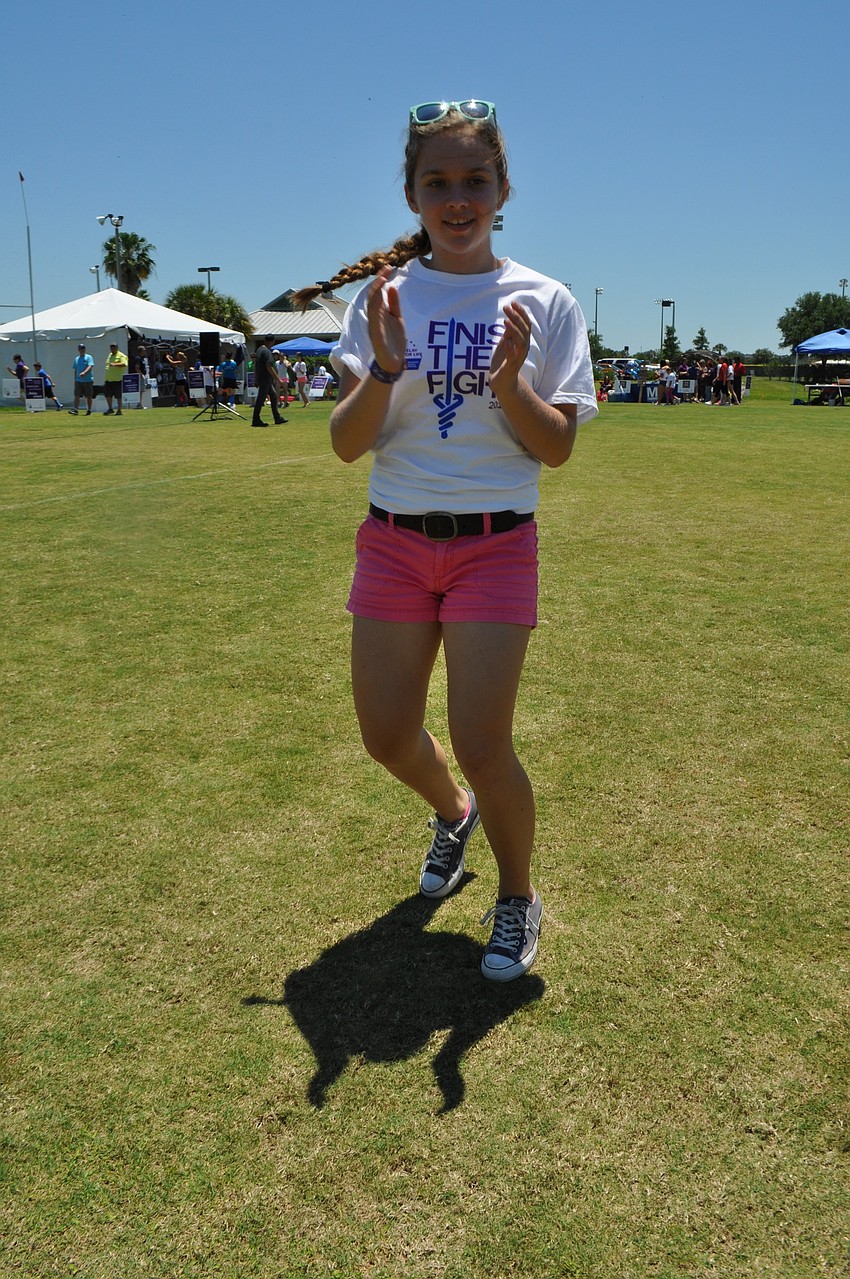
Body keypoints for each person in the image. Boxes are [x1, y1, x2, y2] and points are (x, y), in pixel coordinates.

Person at [294, 98, 597, 981]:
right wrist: (385, 365)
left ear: (503, 189)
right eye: (439, 182)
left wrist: (508, 381)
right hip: (394, 539)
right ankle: (454, 813)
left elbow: (559, 447)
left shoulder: (544, 300)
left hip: (495, 545)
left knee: (480, 735)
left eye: (475, 180)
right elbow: (348, 443)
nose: (457, 198)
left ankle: (516, 897)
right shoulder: (381, 300)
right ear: (412, 193)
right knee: (387, 736)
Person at [252, 336, 287, 426]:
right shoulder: (266, 351)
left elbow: (256, 365)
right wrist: (278, 379)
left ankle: (277, 417)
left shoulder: (259, 350)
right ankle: (255, 419)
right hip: (265, 378)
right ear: (272, 341)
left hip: (262, 378)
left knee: (274, 396)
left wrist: (256, 378)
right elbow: (269, 366)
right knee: (261, 398)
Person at [69, 343, 95, 415]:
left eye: (83, 348)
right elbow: (75, 369)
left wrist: (84, 372)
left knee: (88, 395)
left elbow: (90, 366)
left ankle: (89, 409)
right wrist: (75, 379)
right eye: (80, 348)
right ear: (78, 350)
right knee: (77, 395)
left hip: (88, 380)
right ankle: (75, 409)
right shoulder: (76, 359)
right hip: (78, 380)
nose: (82, 350)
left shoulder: (88, 357)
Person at [103, 341, 128, 415]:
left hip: (117, 380)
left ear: (117, 348)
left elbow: (124, 364)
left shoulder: (121, 355)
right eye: (111, 348)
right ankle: (110, 408)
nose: (112, 349)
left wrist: (115, 364)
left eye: (114, 348)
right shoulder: (110, 355)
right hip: (108, 379)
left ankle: (119, 410)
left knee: (118, 396)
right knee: (108, 395)